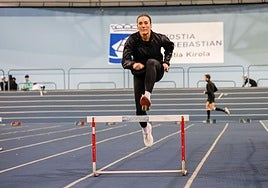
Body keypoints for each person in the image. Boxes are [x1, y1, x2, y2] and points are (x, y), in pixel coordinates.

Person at [121, 14, 174, 147]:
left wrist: (166, 62)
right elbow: (124, 61)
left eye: (146, 23)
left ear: (151, 25)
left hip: (156, 69)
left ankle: (147, 96)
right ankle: (146, 129)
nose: (143, 26)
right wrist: (133, 64)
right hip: (140, 73)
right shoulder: (132, 40)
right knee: (139, 112)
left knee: (151, 62)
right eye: (140, 23)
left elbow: (170, 46)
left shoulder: (159, 38)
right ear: (137, 26)